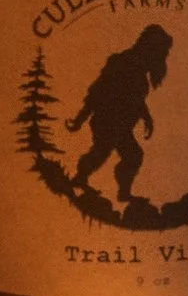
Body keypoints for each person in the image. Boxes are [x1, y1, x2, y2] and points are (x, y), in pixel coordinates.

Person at [66, 24, 173, 205]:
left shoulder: (139, 70)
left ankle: (121, 193)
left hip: (121, 125)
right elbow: (97, 91)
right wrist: (80, 119)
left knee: (132, 156)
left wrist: (146, 117)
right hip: (107, 121)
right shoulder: (121, 62)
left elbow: (135, 99)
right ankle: (80, 179)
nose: (164, 56)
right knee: (103, 151)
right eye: (163, 52)